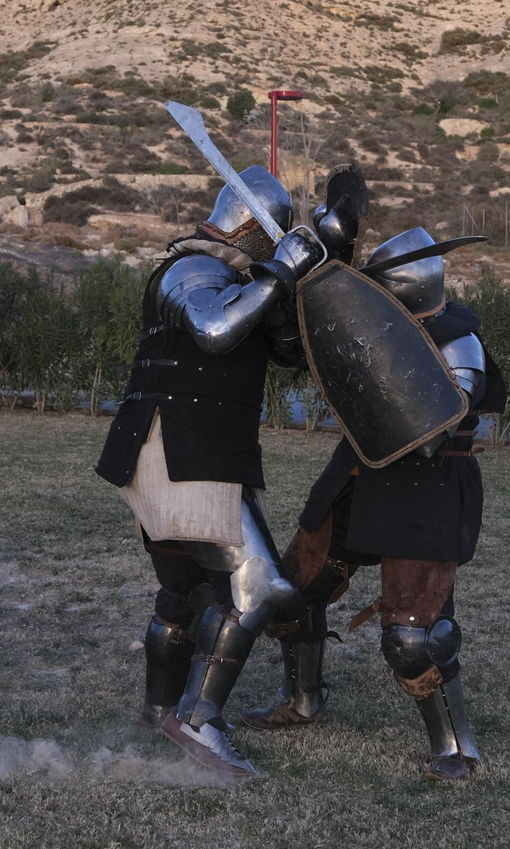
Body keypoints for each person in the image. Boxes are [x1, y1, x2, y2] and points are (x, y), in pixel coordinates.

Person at [95, 164, 364, 776]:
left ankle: (157, 710)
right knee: (260, 585)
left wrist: (316, 266)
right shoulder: (193, 268)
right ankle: (196, 718)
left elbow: (292, 349)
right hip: (181, 447)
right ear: (250, 230)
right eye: (271, 241)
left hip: (198, 448)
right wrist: (279, 271)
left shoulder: (238, 277)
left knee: (188, 590)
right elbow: (214, 328)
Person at [241, 226, 505, 782]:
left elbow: (434, 424)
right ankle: (304, 700)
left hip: (426, 486)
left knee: (415, 637)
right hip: (358, 471)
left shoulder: (460, 340)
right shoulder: (381, 326)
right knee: (288, 593)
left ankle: (455, 744)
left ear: (401, 291)